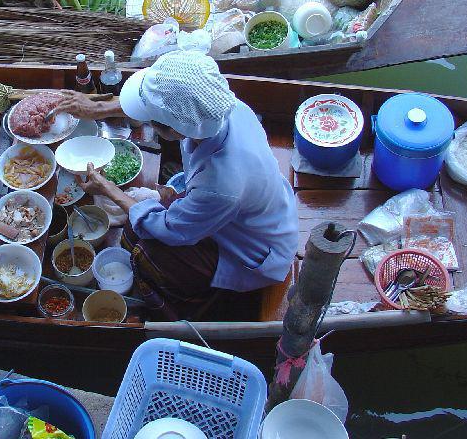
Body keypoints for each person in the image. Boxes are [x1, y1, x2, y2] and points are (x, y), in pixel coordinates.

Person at [56, 50, 298, 320]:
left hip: (254, 249)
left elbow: (170, 230)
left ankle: (183, 307)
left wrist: (107, 189)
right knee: (141, 219)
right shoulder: (224, 110)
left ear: (175, 130)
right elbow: (160, 111)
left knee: (147, 247)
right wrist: (99, 108)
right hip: (255, 210)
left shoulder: (220, 185)